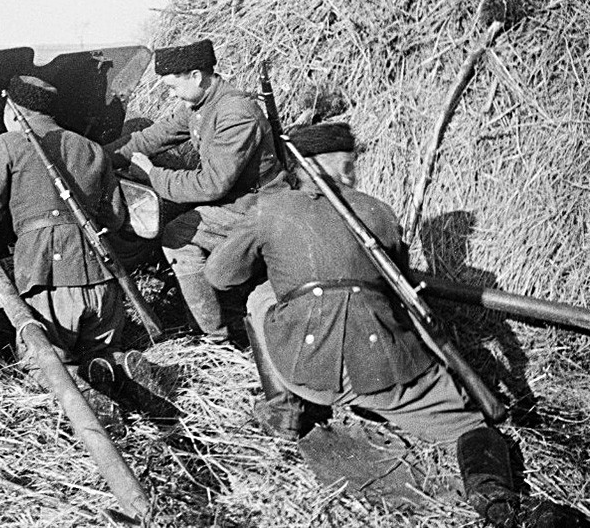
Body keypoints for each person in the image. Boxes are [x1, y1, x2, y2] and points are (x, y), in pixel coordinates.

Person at [206, 122, 587, 528]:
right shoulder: (379, 212)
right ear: (340, 168)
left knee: (261, 297)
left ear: (299, 168)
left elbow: (219, 274)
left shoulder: (269, 207)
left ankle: (287, 409)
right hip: (382, 368)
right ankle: (495, 498)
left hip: (307, 368)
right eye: (350, 165)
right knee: (470, 426)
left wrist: (278, 266)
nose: (354, 173)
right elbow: (397, 291)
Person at [0, 75, 167, 403]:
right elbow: (115, 217)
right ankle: (122, 370)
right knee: (99, 353)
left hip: (49, 281)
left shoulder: (7, 145)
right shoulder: (91, 149)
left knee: (44, 366)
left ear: (13, 112)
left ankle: (89, 401)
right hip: (102, 285)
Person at [108, 38, 286, 341]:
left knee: (178, 236)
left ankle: (215, 336)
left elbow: (212, 184)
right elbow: (153, 137)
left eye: (173, 87)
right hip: (238, 203)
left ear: (196, 76)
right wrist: (96, 157)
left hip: (260, 208)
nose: (172, 94)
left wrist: (153, 174)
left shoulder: (234, 113)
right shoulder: (200, 105)